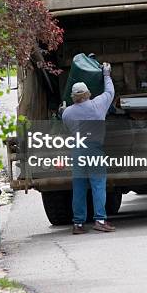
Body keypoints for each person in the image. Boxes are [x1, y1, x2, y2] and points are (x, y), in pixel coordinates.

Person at [62, 62, 115, 234]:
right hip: (94, 150)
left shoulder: (67, 112)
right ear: (88, 94)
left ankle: (78, 224)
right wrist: (106, 74)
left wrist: (63, 110)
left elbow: (68, 127)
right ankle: (99, 220)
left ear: (73, 96)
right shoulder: (98, 105)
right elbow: (110, 92)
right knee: (98, 185)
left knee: (79, 187)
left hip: (77, 151)